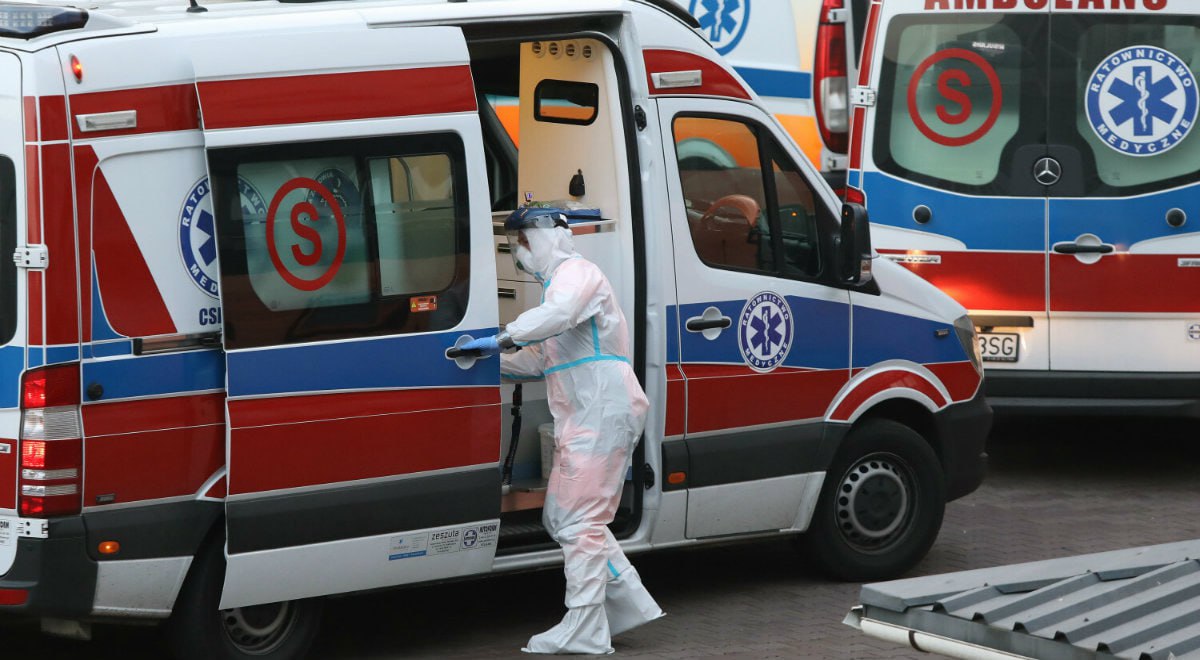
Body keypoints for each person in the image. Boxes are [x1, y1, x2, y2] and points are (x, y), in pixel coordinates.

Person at [462, 206, 664, 654]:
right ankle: (626, 602)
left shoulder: (576, 274)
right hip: (586, 414)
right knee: (564, 516)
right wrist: (484, 363)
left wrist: (503, 337)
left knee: (578, 519)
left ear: (548, 237)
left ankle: (585, 626)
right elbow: (541, 359)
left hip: (602, 410)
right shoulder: (555, 288)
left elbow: (559, 315)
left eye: (524, 241)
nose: (519, 252)